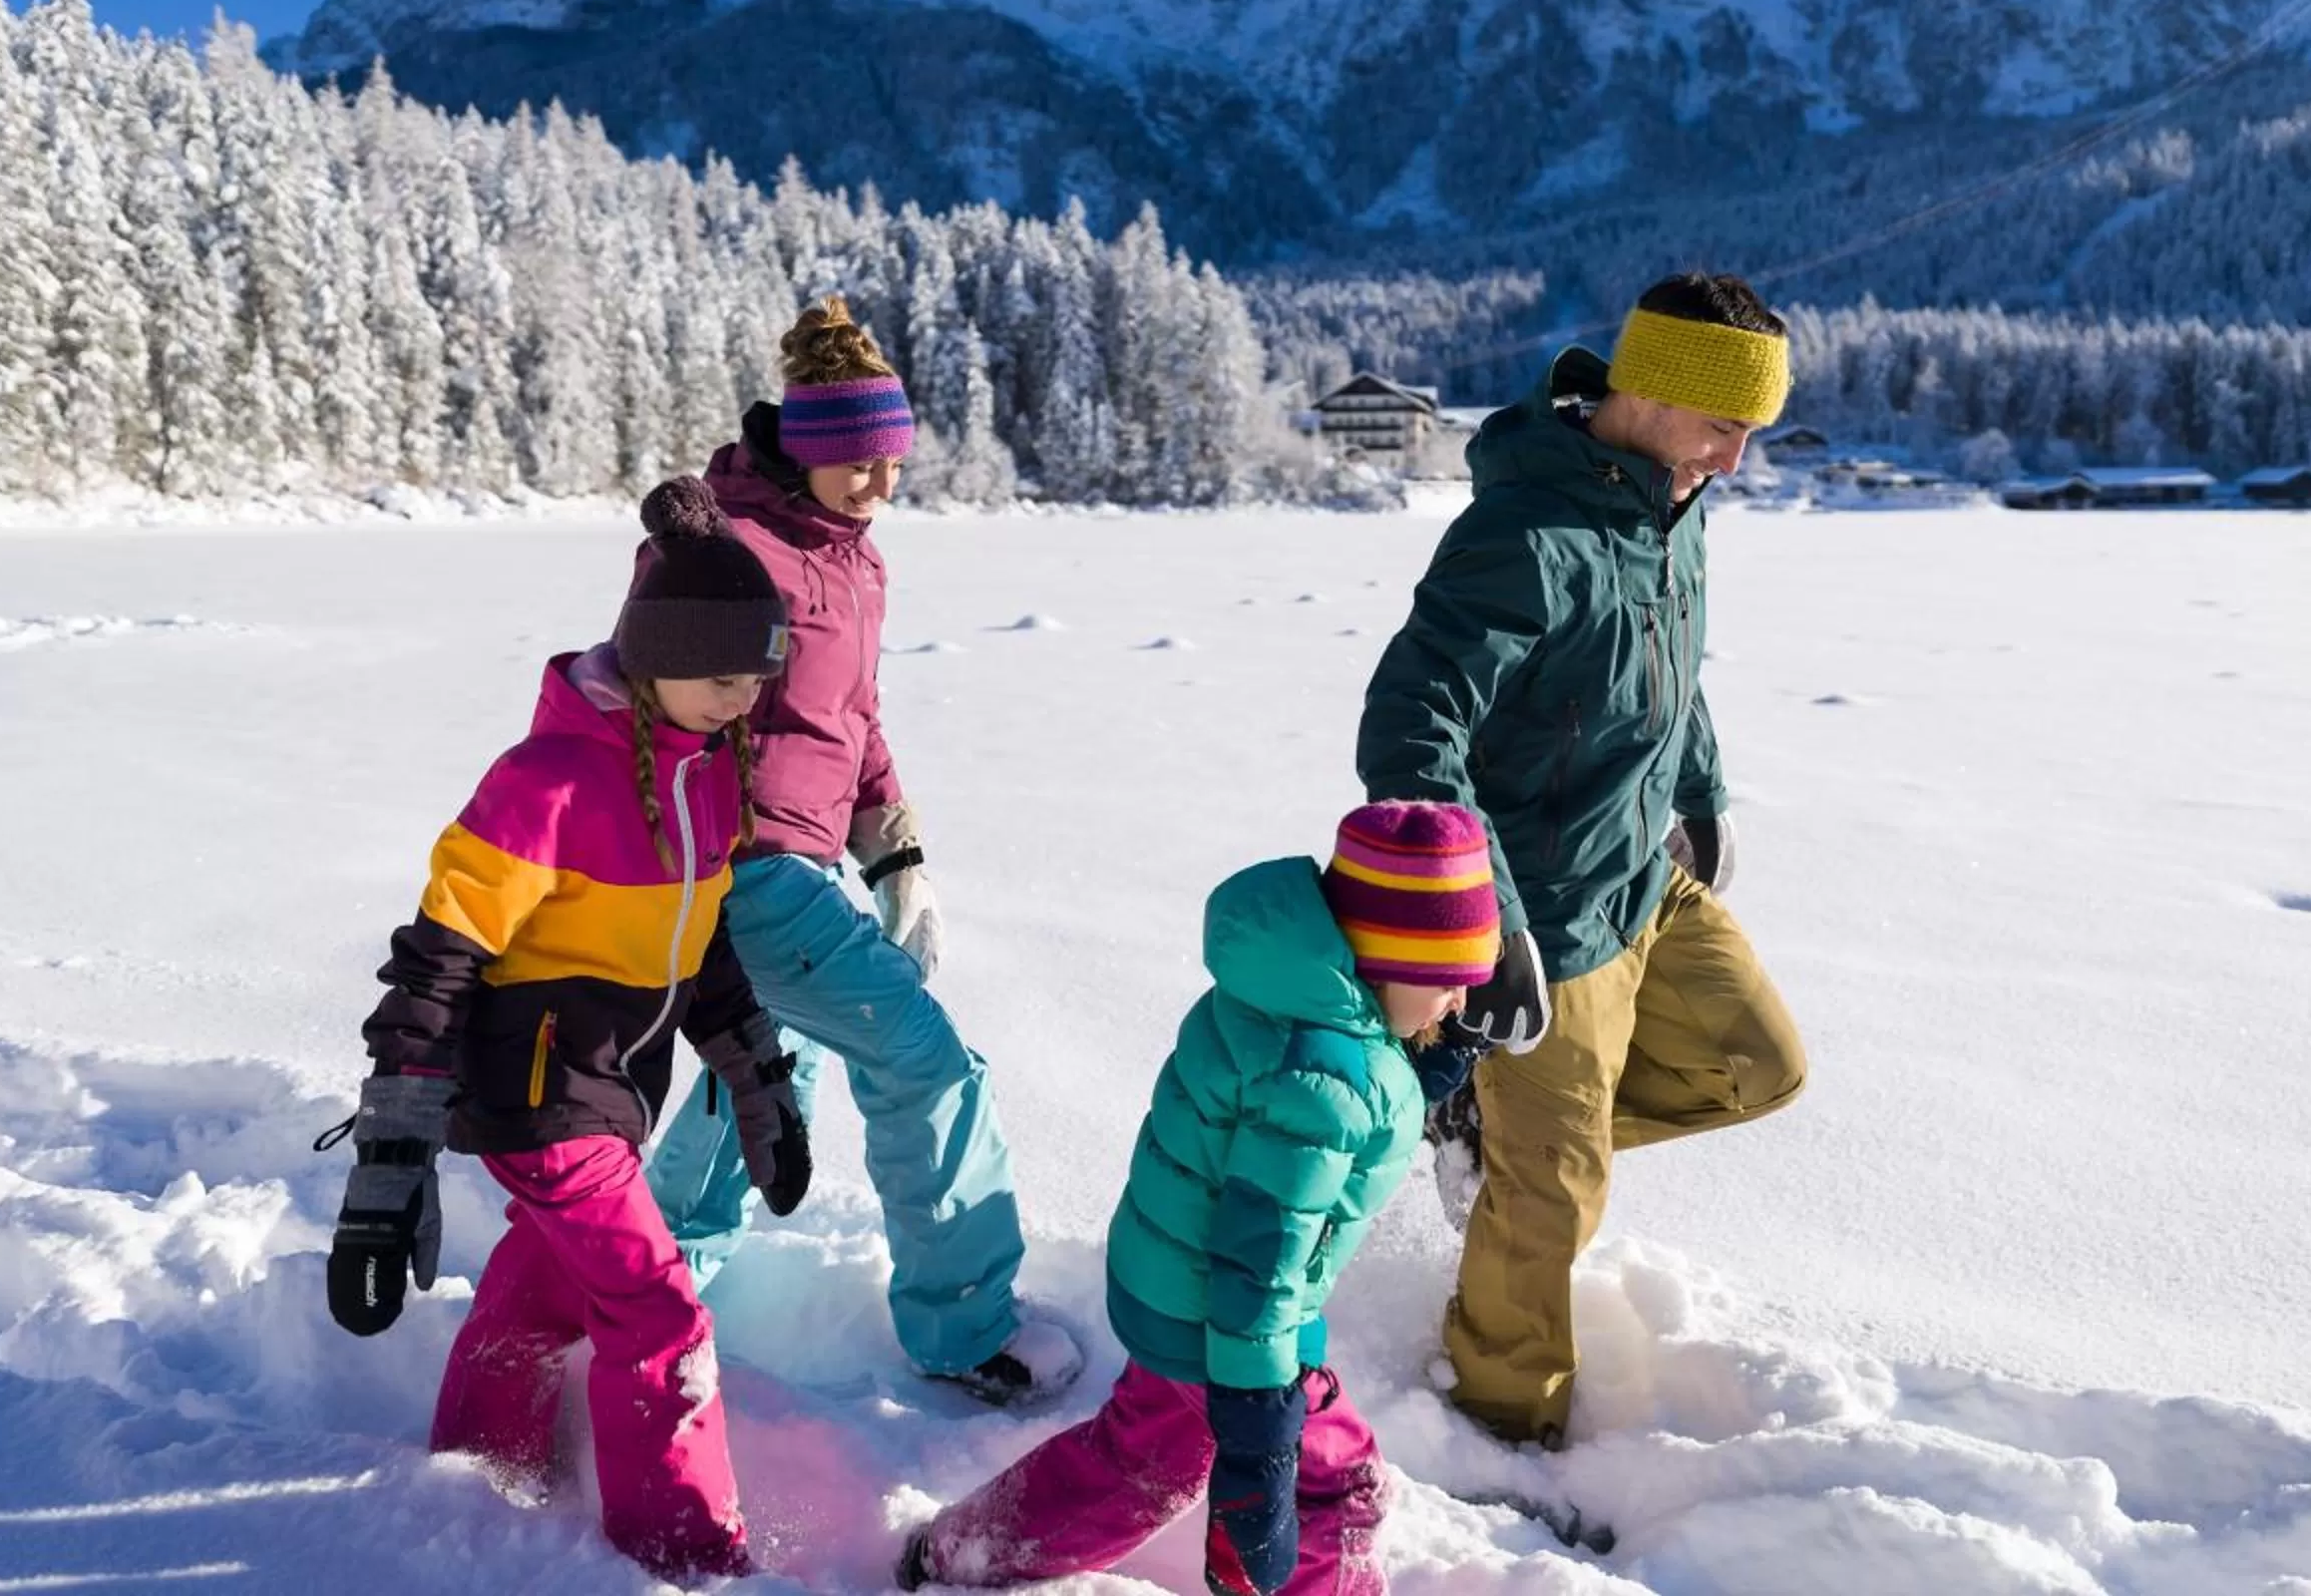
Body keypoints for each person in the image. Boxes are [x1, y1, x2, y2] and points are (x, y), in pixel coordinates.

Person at [325, 475, 812, 1581]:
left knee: (544, 1296)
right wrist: (390, 1152)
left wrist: (758, 1078)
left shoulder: (709, 781)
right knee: (659, 1314)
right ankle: (682, 1554)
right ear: (654, 657)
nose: (745, 700)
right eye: (724, 674)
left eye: (758, 678)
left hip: (611, 1094)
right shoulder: (542, 781)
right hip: (542, 1095)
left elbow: (703, 954)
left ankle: (481, 1468)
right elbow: (437, 957)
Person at [1355, 271, 1810, 1452]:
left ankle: (1489, 1139)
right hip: (1544, 915)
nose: (1742, 456)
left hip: (1644, 875)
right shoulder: (1525, 533)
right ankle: (1501, 1433)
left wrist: (1700, 790)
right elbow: (1410, 728)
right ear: (1652, 390)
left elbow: (1675, 667)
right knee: (1551, 1202)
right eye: (1727, 424)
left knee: (1757, 1065)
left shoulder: (1673, 500)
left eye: (1754, 428)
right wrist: (1483, 915)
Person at [892, 800, 1502, 1596]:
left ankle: (959, 1554)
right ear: (1381, 961)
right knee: (1334, 1487)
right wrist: (1258, 1422)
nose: (1458, 1003)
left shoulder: (1298, 999)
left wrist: (1415, 1078)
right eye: (1445, 981)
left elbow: (1314, 1109)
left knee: (1143, 1462)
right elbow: (1265, 1252)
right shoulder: (1326, 1078)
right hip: (1233, 1325)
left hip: (1183, 1291)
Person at [645, 296, 1076, 1406]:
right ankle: (966, 1326)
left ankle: (653, 1272)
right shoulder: (737, 545)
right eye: (860, 463)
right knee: (923, 1059)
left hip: (812, 864)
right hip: (746, 866)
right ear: (809, 448)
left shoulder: (855, 560)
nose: (882, 484)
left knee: (769, 1067)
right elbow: (652, 680)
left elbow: (857, 722)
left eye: (895, 460)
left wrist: (897, 855)